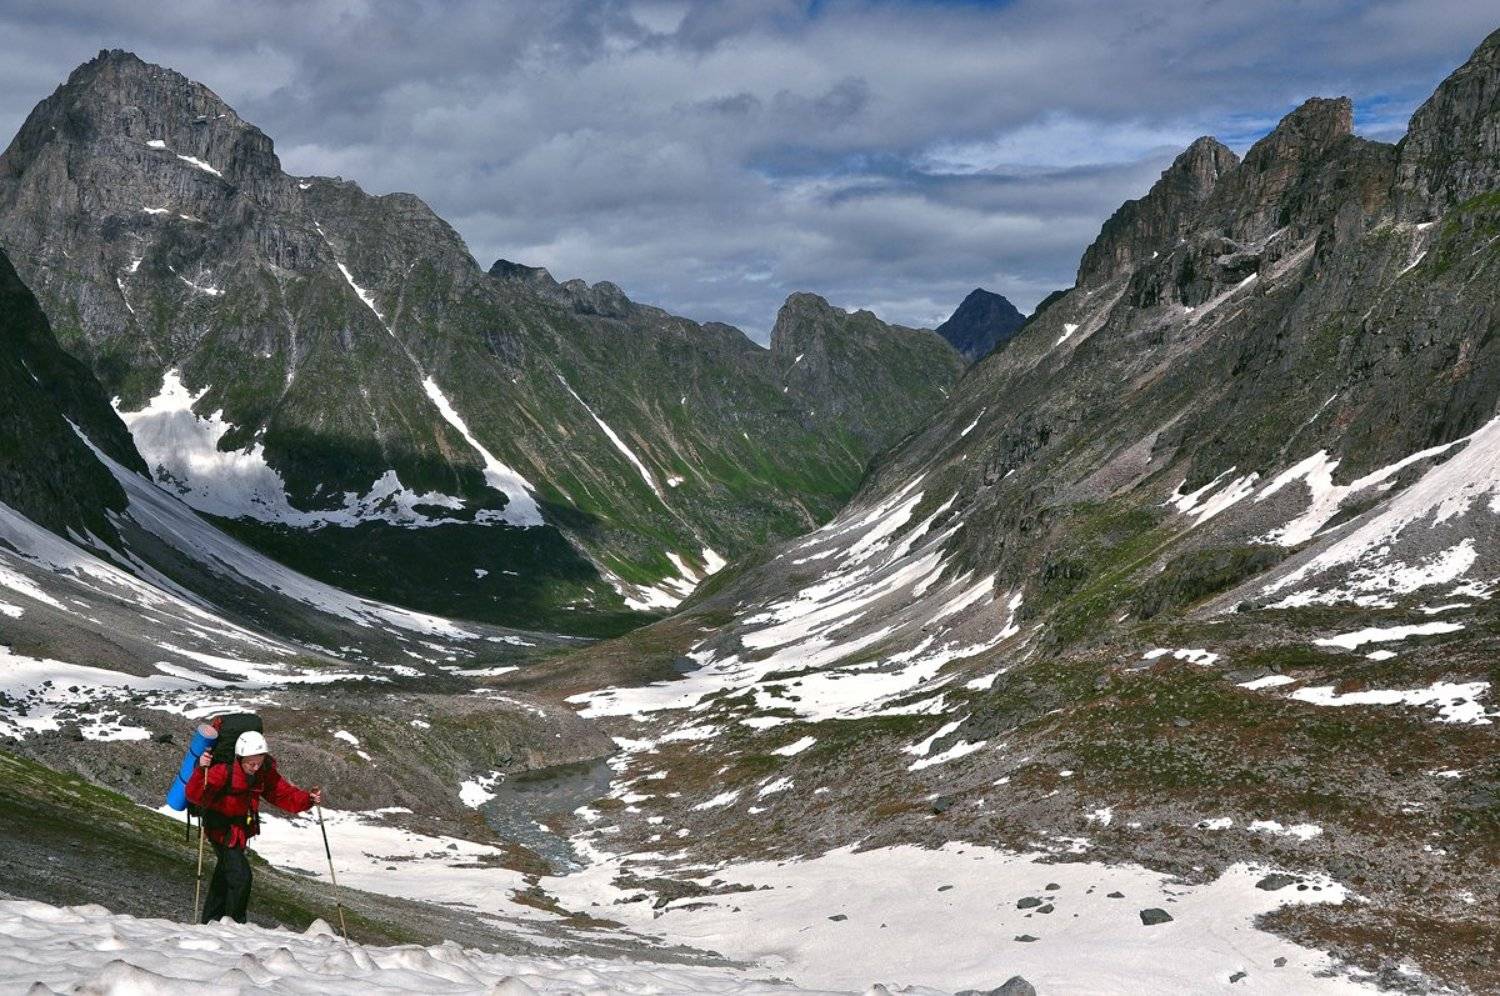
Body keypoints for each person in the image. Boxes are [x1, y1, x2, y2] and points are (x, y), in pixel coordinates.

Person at [185, 729, 323, 924]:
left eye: (259, 762)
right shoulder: (223, 770)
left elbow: (283, 794)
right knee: (241, 877)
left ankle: (210, 922)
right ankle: (234, 925)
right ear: (240, 757)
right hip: (220, 829)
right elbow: (195, 795)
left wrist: (308, 799)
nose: (256, 767)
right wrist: (201, 770)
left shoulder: (263, 772)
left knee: (225, 876)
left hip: (240, 831)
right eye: (252, 763)